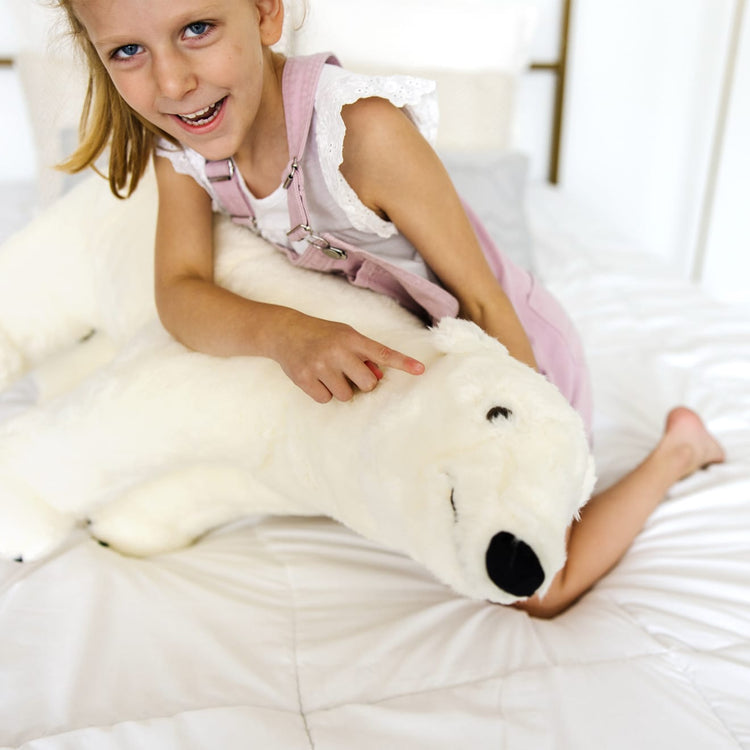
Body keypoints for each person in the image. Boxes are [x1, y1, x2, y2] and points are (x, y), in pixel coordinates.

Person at [55, 0, 724, 617]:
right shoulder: (181, 146)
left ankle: (676, 450)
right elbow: (178, 291)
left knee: (535, 589)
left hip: (505, 355)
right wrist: (287, 335)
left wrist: (525, 439)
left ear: (264, 13)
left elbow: (484, 299)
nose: (171, 83)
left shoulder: (361, 133)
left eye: (196, 29)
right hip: (412, 370)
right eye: (127, 52)